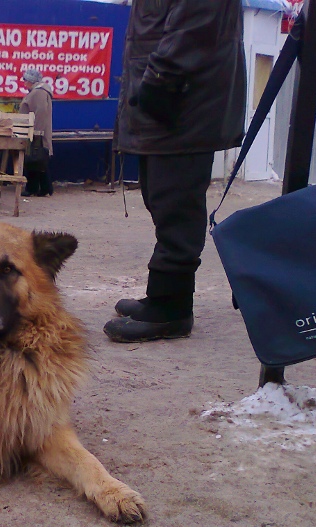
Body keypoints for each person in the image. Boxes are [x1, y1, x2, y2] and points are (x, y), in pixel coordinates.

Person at [103, 0, 246, 343]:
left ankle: (171, 308)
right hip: (169, 100)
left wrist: (160, 77)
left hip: (182, 100)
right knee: (160, 198)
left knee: (176, 205)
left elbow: (196, 20)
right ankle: (162, 295)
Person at [18, 68, 54, 197]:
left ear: (31, 81)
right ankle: (44, 187)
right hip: (37, 131)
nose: (24, 83)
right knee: (38, 159)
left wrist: (36, 132)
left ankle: (34, 187)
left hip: (37, 132)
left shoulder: (38, 93)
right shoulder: (39, 92)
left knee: (35, 158)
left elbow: (41, 111)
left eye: (25, 80)